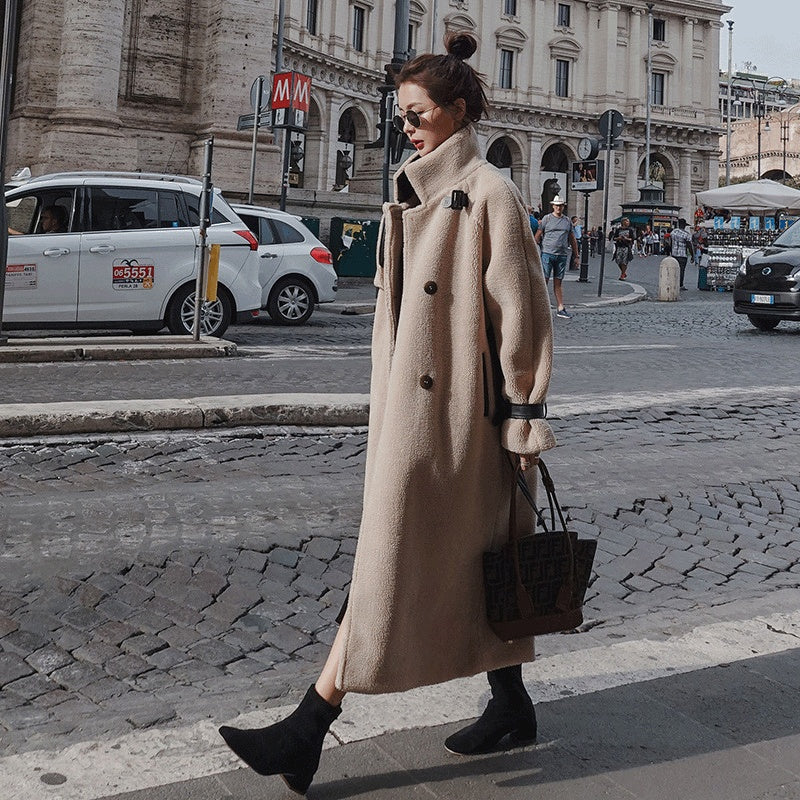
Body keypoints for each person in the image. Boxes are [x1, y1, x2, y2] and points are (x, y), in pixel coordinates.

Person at [217, 31, 556, 795]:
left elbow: (525, 315)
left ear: (457, 112)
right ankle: (512, 703)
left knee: (389, 556)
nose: (405, 126)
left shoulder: (490, 195)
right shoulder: (412, 188)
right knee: (470, 561)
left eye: (417, 114)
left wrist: (526, 415)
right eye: (401, 114)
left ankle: (308, 727)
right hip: (411, 403)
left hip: (459, 419)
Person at [535, 196, 578, 318]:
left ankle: (560, 307)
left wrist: (576, 255)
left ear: (563, 207)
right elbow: (538, 235)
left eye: (561, 205)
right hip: (547, 254)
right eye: (557, 205)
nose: (559, 207)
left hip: (562, 255)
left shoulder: (567, 221)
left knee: (558, 281)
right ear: (553, 206)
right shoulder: (546, 219)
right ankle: (540, 306)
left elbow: (572, 239)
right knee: (545, 280)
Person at [670, 218, 693, 290]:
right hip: (682, 255)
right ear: (684, 226)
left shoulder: (673, 232)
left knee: (673, 269)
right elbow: (689, 245)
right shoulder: (686, 234)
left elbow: (671, 243)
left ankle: (672, 282)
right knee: (681, 270)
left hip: (674, 254)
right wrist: (692, 255)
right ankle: (680, 284)